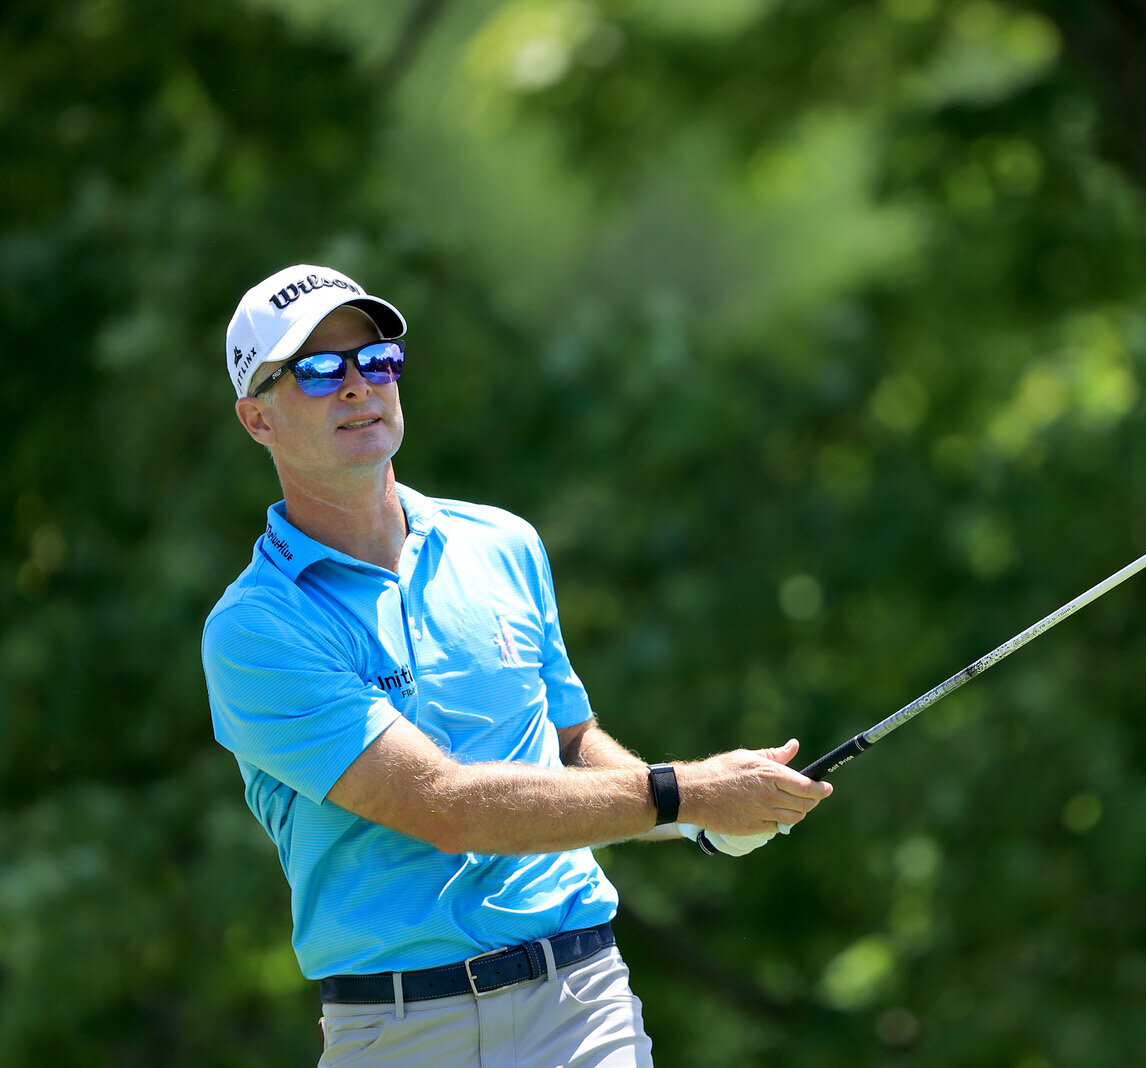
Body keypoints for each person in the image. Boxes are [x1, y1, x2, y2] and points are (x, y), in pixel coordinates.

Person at [202, 264, 833, 1067]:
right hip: (398, 1030)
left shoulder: (502, 543)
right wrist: (686, 789)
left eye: (377, 359)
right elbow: (446, 809)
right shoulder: (257, 628)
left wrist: (697, 817)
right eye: (320, 370)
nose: (359, 385)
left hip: (579, 1003)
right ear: (256, 418)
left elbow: (569, 744)